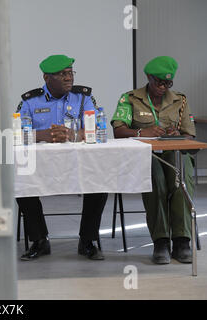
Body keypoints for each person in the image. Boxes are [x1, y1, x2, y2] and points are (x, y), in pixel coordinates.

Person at [16, 54, 108, 261]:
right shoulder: (30, 101)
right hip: (41, 166)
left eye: (70, 73)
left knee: (100, 183)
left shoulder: (83, 98)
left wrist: (71, 134)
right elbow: (17, 133)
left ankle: (87, 240)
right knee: (20, 183)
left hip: (78, 164)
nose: (69, 78)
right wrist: (43, 135)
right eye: (62, 74)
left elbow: (94, 127)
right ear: (47, 78)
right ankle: (39, 241)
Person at [111, 56, 195, 264]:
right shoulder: (130, 98)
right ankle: (161, 241)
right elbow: (118, 130)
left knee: (180, 175)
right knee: (155, 179)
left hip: (172, 153)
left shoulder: (180, 100)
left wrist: (178, 135)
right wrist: (142, 131)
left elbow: (190, 136)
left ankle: (182, 240)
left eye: (168, 83)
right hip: (144, 155)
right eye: (159, 82)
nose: (163, 87)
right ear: (148, 77)